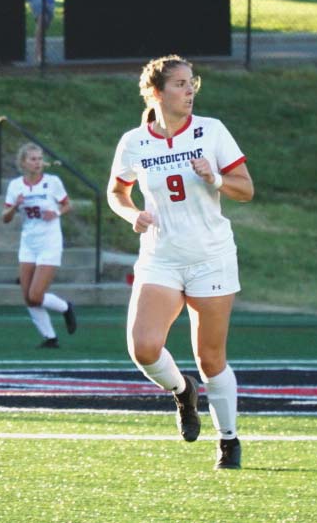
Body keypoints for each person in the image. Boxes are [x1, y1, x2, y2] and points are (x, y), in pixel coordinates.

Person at [107, 55, 254, 470]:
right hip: (161, 256)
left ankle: (228, 440)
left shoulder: (212, 130)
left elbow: (246, 190)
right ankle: (182, 391)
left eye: (192, 83)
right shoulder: (134, 141)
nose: (190, 91)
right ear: (156, 92)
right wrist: (131, 213)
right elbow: (116, 192)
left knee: (211, 358)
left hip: (211, 257)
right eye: (180, 84)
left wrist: (216, 179)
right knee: (144, 347)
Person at [2, 143, 77, 348]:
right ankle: (50, 338)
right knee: (28, 298)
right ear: (23, 163)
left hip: (49, 242)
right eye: (33, 159)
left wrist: (58, 213)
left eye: (39, 158)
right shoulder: (16, 185)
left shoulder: (52, 182)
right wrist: (15, 206)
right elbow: (5, 217)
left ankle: (65, 307)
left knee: (36, 295)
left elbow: (67, 204)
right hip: (28, 243)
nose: (37, 163)